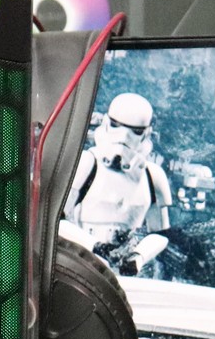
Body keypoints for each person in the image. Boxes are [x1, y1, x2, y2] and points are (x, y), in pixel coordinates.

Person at [62, 92, 172, 276]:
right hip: (83, 265)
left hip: (126, 272)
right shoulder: (87, 164)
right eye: (116, 126)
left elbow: (162, 233)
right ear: (106, 123)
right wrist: (95, 246)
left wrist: (138, 257)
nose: (124, 137)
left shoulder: (153, 176)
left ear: (146, 133)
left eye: (135, 131)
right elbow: (58, 220)